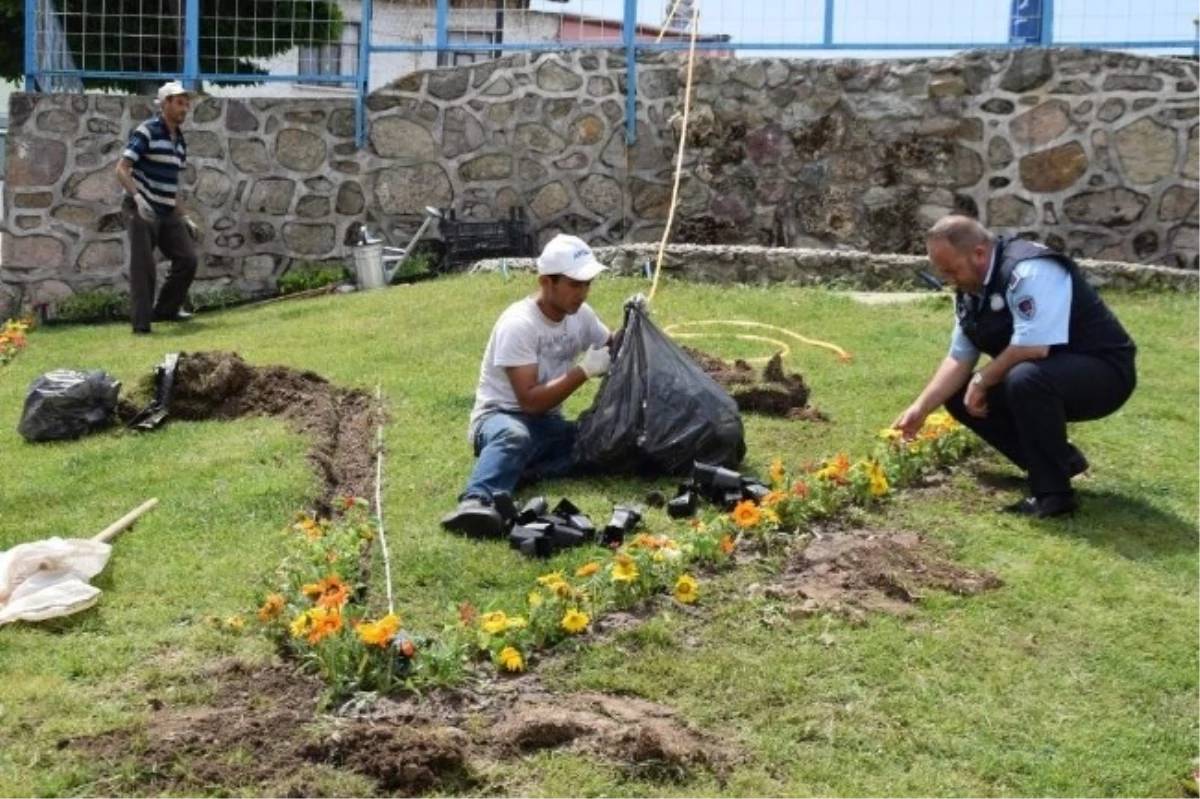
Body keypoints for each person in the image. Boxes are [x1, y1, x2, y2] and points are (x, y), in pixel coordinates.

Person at [892, 215, 1137, 518]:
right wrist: (921, 409)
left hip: (1105, 373)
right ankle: (1059, 462)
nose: (948, 279)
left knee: (1025, 378)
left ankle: (1053, 496)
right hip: (1050, 373)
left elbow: (1033, 346)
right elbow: (959, 357)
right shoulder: (972, 292)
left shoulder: (1029, 269)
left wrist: (982, 381)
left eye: (952, 270)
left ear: (979, 254)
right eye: (942, 272)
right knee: (957, 396)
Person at [441, 234, 614, 538]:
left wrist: (634, 322)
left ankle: (520, 470)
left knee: (593, 440)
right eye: (575, 284)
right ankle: (475, 502)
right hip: (499, 419)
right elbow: (529, 402)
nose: (583, 293)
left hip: (546, 424)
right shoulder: (519, 324)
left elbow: (613, 346)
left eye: (587, 284)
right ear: (546, 282)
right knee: (514, 436)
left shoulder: (581, 316)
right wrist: (584, 371)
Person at [114, 81, 199, 335]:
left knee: (187, 259)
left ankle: (165, 311)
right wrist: (138, 198)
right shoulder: (147, 131)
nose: (185, 108)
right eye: (180, 102)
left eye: (187, 103)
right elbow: (121, 169)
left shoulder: (180, 142)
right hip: (141, 207)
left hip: (167, 209)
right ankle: (141, 325)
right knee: (144, 266)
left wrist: (185, 217)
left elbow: (173, 184)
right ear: (165, 105)